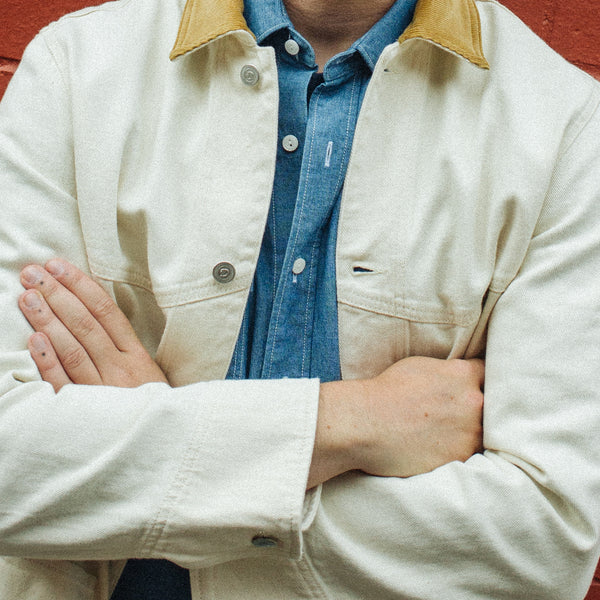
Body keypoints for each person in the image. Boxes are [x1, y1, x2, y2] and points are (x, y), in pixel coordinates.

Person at [0, 0, 598, 598]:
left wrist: (148, 466)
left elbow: (544, 544)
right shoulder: (78, 67)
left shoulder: (565, 128)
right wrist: (354, 422)